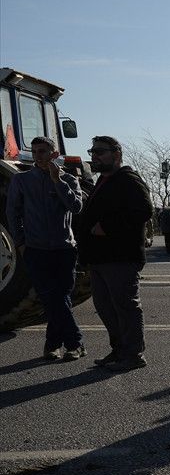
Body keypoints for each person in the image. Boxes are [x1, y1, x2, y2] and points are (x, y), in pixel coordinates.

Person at [76, 136, 154, 371]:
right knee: (105, 307)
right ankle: (119, 350)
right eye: (92, 152)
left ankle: (133, 355)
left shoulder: (128, 180)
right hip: (100, 258)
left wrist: (107, 227)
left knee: (125, 307)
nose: (94, 156)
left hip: (120, 257)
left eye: (100, 152)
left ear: (117, 154)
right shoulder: (103, 180)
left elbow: (144, 210)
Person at [6, 135, 86, 360]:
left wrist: (57, 181)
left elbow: (76, 207)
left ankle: (52, 345)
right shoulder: (21, 180)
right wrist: (20, 243)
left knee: (59, 298)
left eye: (42, 152)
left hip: (64, 248)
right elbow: (13, 213)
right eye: (34, 152)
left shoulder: (69, 180)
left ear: (54, 154)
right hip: (36, 249)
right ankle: (75, 343)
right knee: (52, 297)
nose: (37, 156)